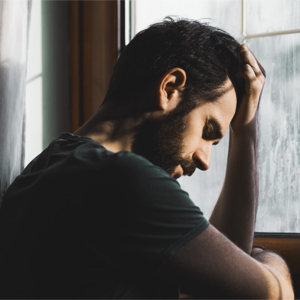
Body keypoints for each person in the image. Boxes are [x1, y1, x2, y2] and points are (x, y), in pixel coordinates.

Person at [0, 17, 294, 299]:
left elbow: (224, 272)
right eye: (207, 130)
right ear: (170, 88)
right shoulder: (125, 179)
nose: (205, 160)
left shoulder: (51, 165)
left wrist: (244, 135)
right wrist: (267, 259)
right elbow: (267, 295)